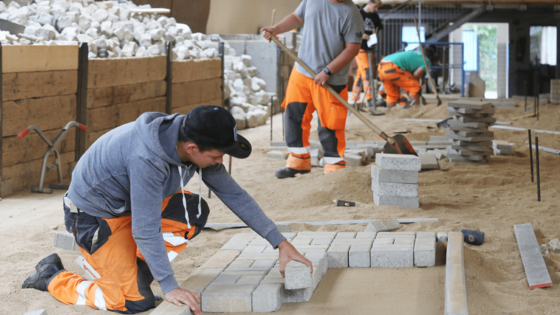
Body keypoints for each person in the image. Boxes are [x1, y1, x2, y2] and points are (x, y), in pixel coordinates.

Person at [22, 106, 312, 315]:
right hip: (94, 218)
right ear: (192, 147)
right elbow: (145, 228)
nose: (219, 160)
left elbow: (233, 193)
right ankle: (52, 277)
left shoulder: (184, 138)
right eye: (216, 155)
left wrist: (280, 242)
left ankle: (132, 267)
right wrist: (170, 285)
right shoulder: (147, 159)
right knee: (134, 302)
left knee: (193, 211)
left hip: (132, 206)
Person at [262, 0, 364, 179]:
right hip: (302, 71)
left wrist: (327, 71)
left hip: (330, 79)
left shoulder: (351, 13)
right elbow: (296, 17)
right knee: (295, 116)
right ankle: (298, 161)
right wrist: (276, 29)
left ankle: (334, 168)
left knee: (331, 124)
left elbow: (352, 49)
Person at [349, 0, 383, 114]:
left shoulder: (375, 16)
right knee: (368, 73)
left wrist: (374, 35)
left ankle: (353, 101)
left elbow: (378, 30)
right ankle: (370, 101)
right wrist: (362, 35)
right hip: (360, 48)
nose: (376, 9)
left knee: (360, 75)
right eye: (376, 6)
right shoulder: (359, 14)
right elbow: (351, 30)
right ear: (370, 2)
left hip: (370, 48)